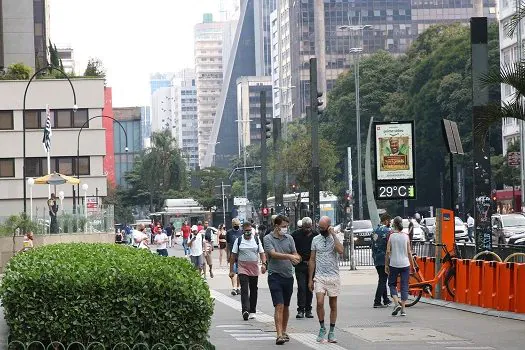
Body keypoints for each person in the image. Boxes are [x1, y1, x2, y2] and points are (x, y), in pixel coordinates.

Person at [264, 215, 301, 345]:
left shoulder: (289, 238)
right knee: (278, 305)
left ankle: (284, 331)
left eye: (287, 226)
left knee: (286, 306)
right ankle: (278, 334)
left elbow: (295, 253)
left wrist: (296, 258)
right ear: (276, 226)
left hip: (288, 276)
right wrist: (290, 256)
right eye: (283, 226)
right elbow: (273, 254)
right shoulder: (268, 238)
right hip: (275, 276)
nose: (285, 229)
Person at [309, 216, 344, 343]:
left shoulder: (335, 238)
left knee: (333, 304)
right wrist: (310, 278)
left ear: (329, 226)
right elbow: (312, 259)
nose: (320, 229)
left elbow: (340, 251)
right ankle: (322, 327)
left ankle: (332, 331)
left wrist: (333, 235)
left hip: (333, 276)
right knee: (319, 302)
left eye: (323, 227)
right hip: (319, 276)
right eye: (319, 227)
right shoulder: (315, 239)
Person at [230, 222, 267, 320]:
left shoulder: (256, 239)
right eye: (246, 230)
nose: (248, 232)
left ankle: (253, 310)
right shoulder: (239, 240)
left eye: (249, 230)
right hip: (242, 268)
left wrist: (264, 264)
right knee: (244, 289)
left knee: (254, 289)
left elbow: (262, 253)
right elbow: (233, 256)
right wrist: (231, 270)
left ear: (252, 230)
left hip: (254, 268)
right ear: (243, 231)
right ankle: (245, 310)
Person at [386, 216, 413, 317]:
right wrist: (413, 265)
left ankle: (396, 303)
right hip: (405, 264)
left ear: (394, 224)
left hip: (394, 264)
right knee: (404, 286)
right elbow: (409, 252)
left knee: (392, 284)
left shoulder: (392, 236)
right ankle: (403, 310)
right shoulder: (406, 236)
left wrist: (386, 265)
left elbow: (388, 252)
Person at [291, 217, 318, 319]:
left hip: (311, 265)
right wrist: (295, 256)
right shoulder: (295, 235)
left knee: (309, 287)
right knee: (301, 287)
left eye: (309, 227)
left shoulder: (316, 235)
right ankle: (300, 309)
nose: (307, 230)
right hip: (300, 264)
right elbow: (291, 247)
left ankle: (308, 309)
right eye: (305, 227)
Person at [371, 213, 393, 308]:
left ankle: (386, 300)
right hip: (385, 259)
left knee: (382, 279)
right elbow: (390, 246)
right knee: (383, 280)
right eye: (390, 221)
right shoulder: (388, 231)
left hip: (376, 258)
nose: (390, 223)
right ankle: (377, 301)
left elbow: (372, 244)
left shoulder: (374, 231)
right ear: (386, 221)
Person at [226, 218, 243, 295]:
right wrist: (228, 255)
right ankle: (234, 288)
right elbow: (227, 245)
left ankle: (238, 287)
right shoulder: (229, 233)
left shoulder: (242, 232)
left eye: (238, 225)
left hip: (240, 255)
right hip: (232, 255)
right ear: (233, 225)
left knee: (239, 272)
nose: (237, 226)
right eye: (235, 225)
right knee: (232, 271)